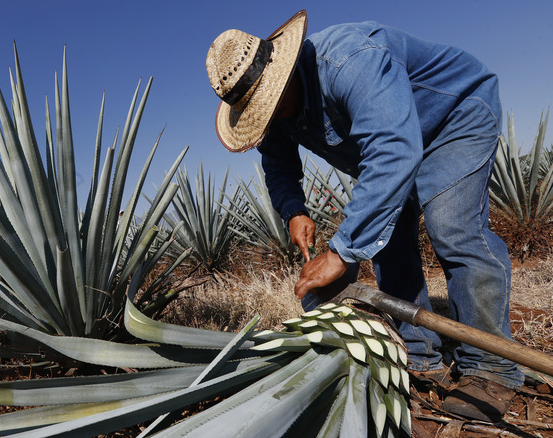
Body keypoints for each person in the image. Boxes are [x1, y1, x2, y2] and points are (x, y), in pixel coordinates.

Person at [205, 10, 523, 422]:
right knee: (386, 238)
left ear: (282, 76)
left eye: (268, 106)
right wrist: (294, 211)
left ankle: (490, 368)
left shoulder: (350, 60)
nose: (267, 117)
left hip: (453, 120)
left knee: (453, 228)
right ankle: (419, 353)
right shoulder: (274, 112)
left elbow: (394, 149)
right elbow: (279, 167)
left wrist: (341, 253)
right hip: (396, 142)